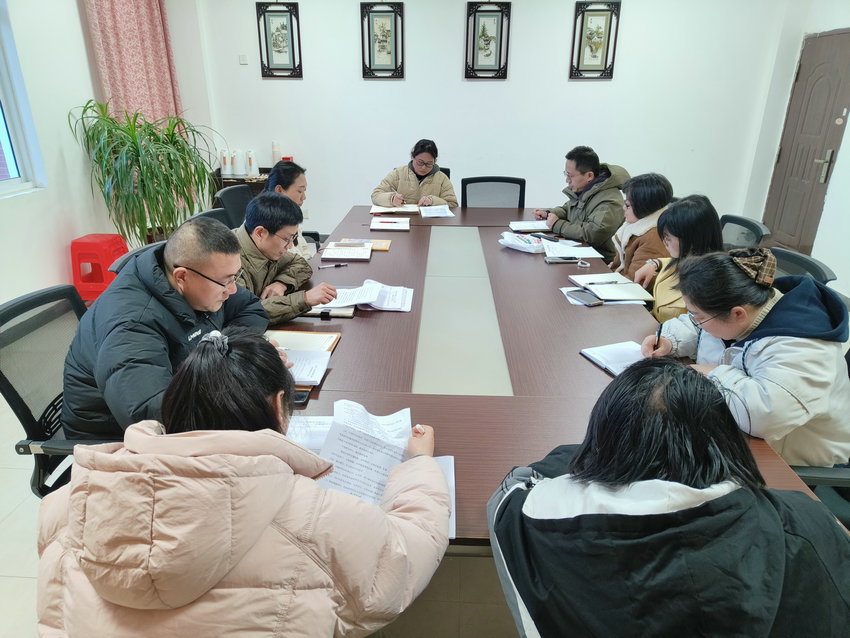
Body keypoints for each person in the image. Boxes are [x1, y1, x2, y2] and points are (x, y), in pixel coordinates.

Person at [39, 328, 452, 637]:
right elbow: (409, 552)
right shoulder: (320, 521)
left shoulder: (68, 507)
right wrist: (419, 464)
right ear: (278, 406)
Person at [488, 358, 850, 637]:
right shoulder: (804, 521)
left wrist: (586, 458)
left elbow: (513, 490)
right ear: (722, 437)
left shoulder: (536, 519)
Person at [61, 216, 268, 440]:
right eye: (226, 281)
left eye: (235, 277)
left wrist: (237, 353)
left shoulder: (205, 282)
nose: (232, 289)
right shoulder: (132, 325)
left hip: (175, 410)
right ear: (181, 277)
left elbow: (250, 308)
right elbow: (152, 416)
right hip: (112, 440)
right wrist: (233, 377)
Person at [640, 248, 850, 467]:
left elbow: (764, 415)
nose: (695, 319)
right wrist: (670, 340)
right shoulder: (741, 305)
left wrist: (714, 374)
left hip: (790, 455)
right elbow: (697, 325)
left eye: (698, 315)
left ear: (738, 314)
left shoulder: (803, 349)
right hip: (736, 426)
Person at [235, 191, 337, 323]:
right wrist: (305, 299)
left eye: (293, 238)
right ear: (260, 233)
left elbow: (301, 264)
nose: (290, 246)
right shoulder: (229, 260)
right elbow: (246, 313)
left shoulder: (264, 246)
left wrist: (282, 283)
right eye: (287, 239)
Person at [633, 194, 724, 321]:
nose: (664, 242)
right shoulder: (683, 259)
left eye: (668, 238)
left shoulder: (712, 285)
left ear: (692, 238)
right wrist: (653, 263)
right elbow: (667, 262)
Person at [533, 145, 630, 263]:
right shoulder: (586, 190)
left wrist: (557, 225)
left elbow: (594, 234)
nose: (567, 180)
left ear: (589, 176)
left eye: (570, 175)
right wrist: (549, 213)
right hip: (581, 251)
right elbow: (568, 209)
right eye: (566, 174)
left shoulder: (610, 200)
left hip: (601, 261)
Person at [608, 172, 672, 281]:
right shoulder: (635, 224)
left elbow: (634, 281)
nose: (623, 208)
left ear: (643, 207)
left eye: (627, 205)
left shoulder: (653, 236)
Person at [371, 138, 458, 208]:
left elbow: (453, 205)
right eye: (420, 162)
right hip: (404, 221)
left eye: (429, 164)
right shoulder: (398, 173)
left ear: (434, 161)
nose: (423, 167)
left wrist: (432, 201)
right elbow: (376, 195)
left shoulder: (442, 178)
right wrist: (391, 198)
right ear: (413, 157)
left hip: (431, 222)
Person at [266, 159, 314, 260]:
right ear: (279, 190)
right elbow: (290, 261)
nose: (304, 197)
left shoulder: (290, 215)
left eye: (304, 191)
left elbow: (304, 251)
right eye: (299, 191)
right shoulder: (269, 222)